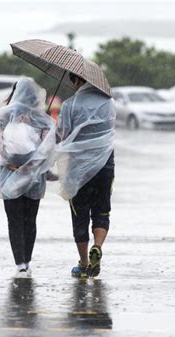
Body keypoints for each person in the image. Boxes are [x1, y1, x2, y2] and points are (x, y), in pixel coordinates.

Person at [0, 77, 56, 278]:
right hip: (34, 177)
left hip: (9, 174)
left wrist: (8, 162)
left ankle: (19, 263)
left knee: (14, 220)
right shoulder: (41, 117)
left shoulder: (4, 115)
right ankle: (27, 259)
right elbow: (47, 147)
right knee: (30, 220)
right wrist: (31, 165)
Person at [56, 72, 116, 278]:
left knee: (79, 212)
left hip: (78, 168)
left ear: (77, 80)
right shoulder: (108, 102)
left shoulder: (70, 105)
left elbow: (62, 136)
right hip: (105, 164)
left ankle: (83, 263)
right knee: (102, 209)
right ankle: (97, 246)